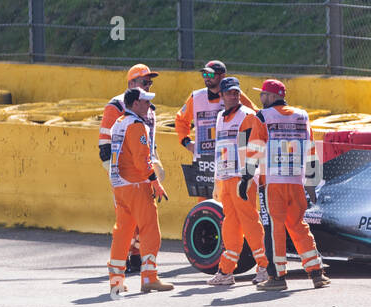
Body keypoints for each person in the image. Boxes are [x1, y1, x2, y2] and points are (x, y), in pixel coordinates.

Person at [253, 79, 330, 291]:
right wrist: (312, 183)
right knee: (298, 226)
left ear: (269, 96)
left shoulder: (262, 116)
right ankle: (316, 273)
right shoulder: (302, 116)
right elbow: (311, 149)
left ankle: (277, 278)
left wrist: (246, 177)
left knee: (276, 228)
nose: (261, 98)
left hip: (273, 182)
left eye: (262, 95)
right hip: (296, 182)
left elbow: (254, 149)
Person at [107, 88, 173, 294]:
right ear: (135, 104)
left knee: (123, 232)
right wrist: (155, 182)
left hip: (120, 185)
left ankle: (116, 281)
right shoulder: (136, 126)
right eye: (145, 102)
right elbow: (141, 160)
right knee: (150, 229)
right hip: (137, 184)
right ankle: (149, 277)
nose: (149, 106)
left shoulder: (118, 123)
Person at [207, 77, 270, 287]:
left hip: (242, 178)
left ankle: (264, 266)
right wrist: (217, 180)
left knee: (250, 221)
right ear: (222, 95)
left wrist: (247, 177)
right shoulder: (220, 118)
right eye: (229, 93)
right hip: (226, 178)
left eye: (236, 92)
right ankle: (226, 271)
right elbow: (219, 149)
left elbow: (253, 148)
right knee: (230, 224)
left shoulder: (246, 116)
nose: (233, 96)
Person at [100, 63, 161, 273]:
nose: (149, 86)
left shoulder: (147, 106)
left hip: (143, 167)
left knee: (136, 221)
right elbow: (105, 144)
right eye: (145, 82)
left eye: (150, 82)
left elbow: (149, 141)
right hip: (127, 173)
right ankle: (143, 269)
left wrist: (154, 162)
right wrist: (115, 174)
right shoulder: (116, 105)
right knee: (139, 221)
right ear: (132, 83)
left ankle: (133, 260)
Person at [174, 59, 256, 199]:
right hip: (204, 160)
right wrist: (186, 142)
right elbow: (181, 121)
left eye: (211, 75)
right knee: (205, 203)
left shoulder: (235, 94)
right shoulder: (196, 97)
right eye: (204, 75)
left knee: (230, 201)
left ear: (222, 76)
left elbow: (254, 116)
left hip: (229, 159)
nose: (207, 78)